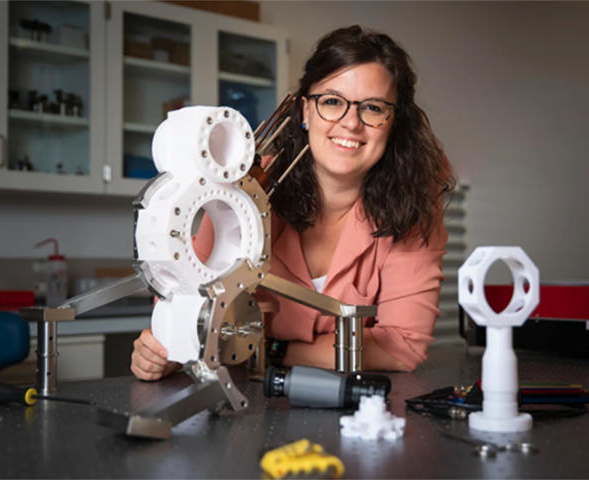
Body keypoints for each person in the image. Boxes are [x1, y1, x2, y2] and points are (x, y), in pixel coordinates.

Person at [131, 25, 456, 381]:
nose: (350, 123)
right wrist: (162, 352)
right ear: (304, 111)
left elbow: (402, 346)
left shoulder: (411, 204)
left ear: (392, 123)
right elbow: (191, 297)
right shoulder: (244, 189)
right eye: (332, 101)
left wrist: (271, 351)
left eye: (373, 108)